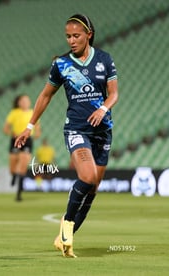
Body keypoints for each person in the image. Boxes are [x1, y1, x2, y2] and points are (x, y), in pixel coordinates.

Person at [15, 14, 118, 257]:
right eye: (68, 36)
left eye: (76, 36)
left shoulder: (104, 60)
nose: (71, 40)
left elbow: (113, 94)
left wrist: (103, 109)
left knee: (93, 189)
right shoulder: (61, 64)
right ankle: (67, 226)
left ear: (88, 34)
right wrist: (29, 126)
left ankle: (64, 236)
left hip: (103, 132)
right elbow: (45, 96)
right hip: (76, 129)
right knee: (88, 176)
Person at [3, 94, 40, 201]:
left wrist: (37, 133)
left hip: (27, 140)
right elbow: (5, 128)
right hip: (15, 139)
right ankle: (14, 175)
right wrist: (11, 133)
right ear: (19, 103)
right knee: (13, 166)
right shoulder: (14, 113)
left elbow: (37, 126)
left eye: (27, 100)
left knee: (23, 165)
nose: (25, 102)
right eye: (23, 101)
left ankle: (19, 193)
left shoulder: (32, 112)